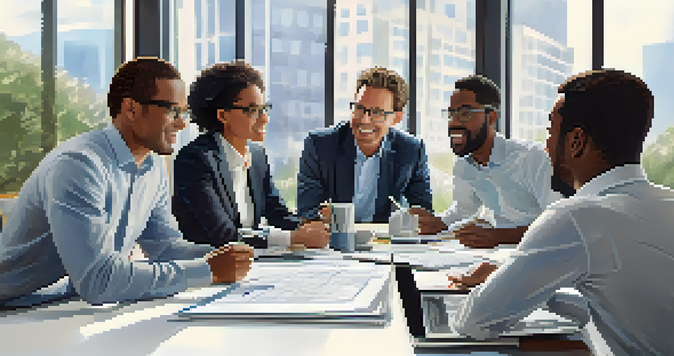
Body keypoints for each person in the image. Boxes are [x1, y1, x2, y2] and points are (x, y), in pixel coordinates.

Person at [449, 69, 674, 356]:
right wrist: (530, 283)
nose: (546, 147)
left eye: (551, 132)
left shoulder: (576, 217)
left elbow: (473, 323)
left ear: (576, 142)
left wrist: (508, 284)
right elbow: (629, 302)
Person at [0, 58, 252, 307]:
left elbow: (164, 247)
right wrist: (207, 270)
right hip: (17, 309)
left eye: (184, 112)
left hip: (66, 305)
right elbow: (98, 280)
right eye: (173, 111)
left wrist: (227, 258)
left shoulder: (152, 165)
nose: (182, 123)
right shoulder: (80, 164)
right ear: (130, 109)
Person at [172, 61, 329, 249]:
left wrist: (311, 226)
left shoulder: (256, 154)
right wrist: (292, 239)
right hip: (211, 268)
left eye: (264, 109)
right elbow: (223, 235)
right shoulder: (195, 160)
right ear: (222, 115)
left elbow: (277, 213)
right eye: (253, 111)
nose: (265, 119)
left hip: (252, 264)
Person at [410, 75, 567, 248]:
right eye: (450, 114)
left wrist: (498, 236)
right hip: (496, 256)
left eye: (464, 114)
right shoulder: (464, 166)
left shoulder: (532, 159)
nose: (453, 123)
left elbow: (558, 223)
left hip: (540, 254)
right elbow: (463, 210)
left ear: (492, 117)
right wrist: (437, 222)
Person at [297, 67, 433, 223]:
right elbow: (306, 210)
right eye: (359, 108)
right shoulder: (319, 145)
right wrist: (323, 216)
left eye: (377, 113)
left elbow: (424, 215)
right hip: (334, 241)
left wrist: (410, 219)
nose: (364, 120)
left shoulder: (412, 151)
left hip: (386, 244)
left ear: (396, 118)